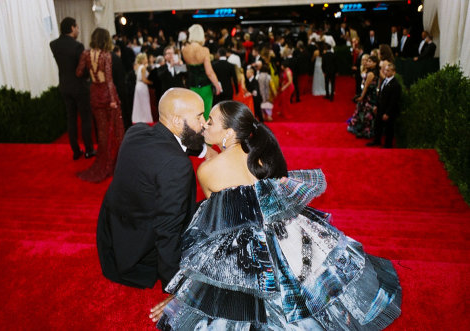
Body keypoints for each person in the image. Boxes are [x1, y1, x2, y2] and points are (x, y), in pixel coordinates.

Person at [150, 100, 402, 330]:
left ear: (227, 133)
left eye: (211, 120)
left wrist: (184, 295)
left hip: (244, 252)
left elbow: (216, 227)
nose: (205, 124)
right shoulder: (259, 156)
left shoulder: (207, 171)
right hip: (287, 235)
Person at [97, 88, 211, 290]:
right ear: (177, 121)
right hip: (141, 254)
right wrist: (174, 287)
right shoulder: (177, 166)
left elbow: (175, 140)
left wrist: (203, 150)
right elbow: (168, 230)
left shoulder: (136, 132)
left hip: (113, 241)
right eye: (199, 116)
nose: (204, 123)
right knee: (213, 210)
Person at [75, 28, 124, 183]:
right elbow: (109, 80)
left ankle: (103, 160)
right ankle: (113, 163)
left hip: (94, 93)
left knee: (102, 131)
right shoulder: (106, 56)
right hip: (107, 94)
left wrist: (90, 74)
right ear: (106, 39)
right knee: (116, 130)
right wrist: (113, 100)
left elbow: (78, 73)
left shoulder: (85, 54)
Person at [50, 17, 95, 160]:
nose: (78, 30)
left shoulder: (54, 45)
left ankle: (75, 151)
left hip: (64, 86)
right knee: (86, 119)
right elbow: (82, 69)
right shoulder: (77, 46)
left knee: (71, 119)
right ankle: (88, 150)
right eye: (77, 27)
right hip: (80, 87)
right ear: (71, 28)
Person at [182, 24, 221, 119]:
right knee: (205, 113)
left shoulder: (184, 50)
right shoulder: (204, 50)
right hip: (205, 87)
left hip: (192, 86)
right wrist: (217, 85)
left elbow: (186, 68)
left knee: (194, 113)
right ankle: (204, 133)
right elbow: (209, 72)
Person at [367, 62, 402, 148]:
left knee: (388, 128)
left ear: (394, 72)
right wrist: (376, 105)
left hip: (389, 110)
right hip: (380, 108)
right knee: (377, 125)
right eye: (385, 70)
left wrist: (388, 113)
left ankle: (388, 144)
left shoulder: (395, 85)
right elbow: (380, 95)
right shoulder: (384, 81)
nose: (386, 72)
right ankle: (377, 141)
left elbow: (394, 101)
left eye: (388, 71)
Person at [347, 55, 380, 138]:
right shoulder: (374, 72)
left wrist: (361, 97)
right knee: (365, 113)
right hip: (369, 95)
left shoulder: (371, 74)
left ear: (375, 63)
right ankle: (365, 130)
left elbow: (366, 87)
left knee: (366, 113)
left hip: (368, 96)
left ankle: (366, 131)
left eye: (370, 61)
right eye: (367, 61)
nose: (367, 63)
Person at [131, 53, 153, 123]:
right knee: (144, 102)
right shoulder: (143, 67)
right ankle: (146, 119)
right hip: (142, 86)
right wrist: (151, 83)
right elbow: (144, 79)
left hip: (138, 86)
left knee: (139, 103)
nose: (147, 59)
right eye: (146, 58)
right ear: (143, 59)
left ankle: (139, 118)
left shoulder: (138, 66)